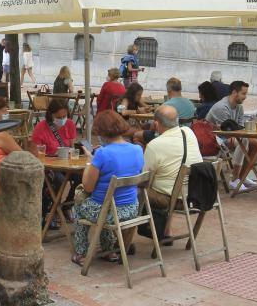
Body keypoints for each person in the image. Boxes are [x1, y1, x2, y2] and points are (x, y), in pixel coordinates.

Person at [71, 111, 144, 266]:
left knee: (79, 202)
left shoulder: (102, 154)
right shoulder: (137, 149)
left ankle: (81, 252)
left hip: (109, 212)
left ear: (101, 131)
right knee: (103, 202)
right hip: (131, 208)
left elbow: (88, 187)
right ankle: (108, 249)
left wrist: (90, 162)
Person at [143, 105, 203, 239]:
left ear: (156, 124)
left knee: (133, 190)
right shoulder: (188, 132)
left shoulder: (155, 145)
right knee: (168, 179)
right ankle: (166, 230)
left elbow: (144, 178)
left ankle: (124, 241)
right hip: (196, 195)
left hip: (175, 199)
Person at [206, 80, 257, 191]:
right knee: (244, 141)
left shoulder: (239, 107)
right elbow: (226, 132)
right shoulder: (221, 107)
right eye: (243, 93)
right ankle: (234, 179)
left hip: (230, 135)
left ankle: (242, 177)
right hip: (215, 139)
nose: (245, 97)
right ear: (235, 92)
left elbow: (239, 128)